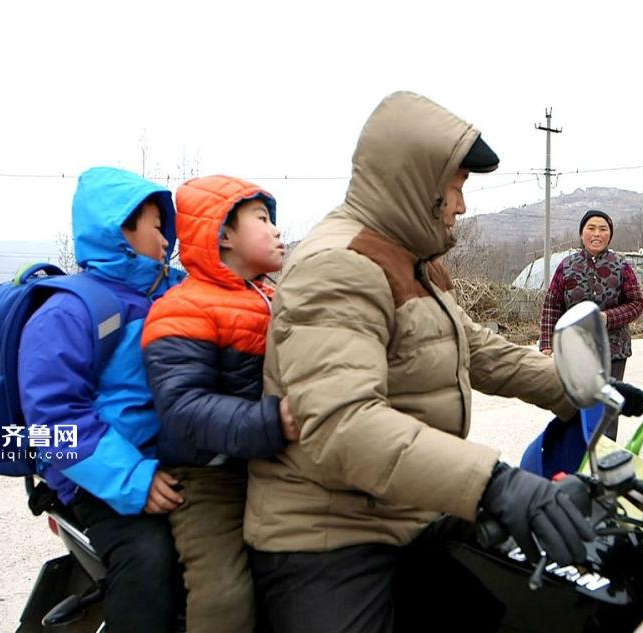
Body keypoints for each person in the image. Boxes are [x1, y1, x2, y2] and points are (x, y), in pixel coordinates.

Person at [244, 91, 594, 633]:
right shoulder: (337, 266)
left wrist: (578, 387)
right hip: (330, 535)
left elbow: (474, 347)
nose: (462, 205)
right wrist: (495, 483)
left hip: (409, 510)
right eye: (456, 186)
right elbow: (345, 425)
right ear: (418, 182)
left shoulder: (413, 259)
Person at [18, 167, 185, 632]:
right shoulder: (69, 311)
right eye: (157, 227)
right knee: (150, 561)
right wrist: (132, 477)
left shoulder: (173, 293)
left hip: (172, 461)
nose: (166, 239)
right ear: (121, 230)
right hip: (102, 478)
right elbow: (53, 423)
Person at [141, 175, 297, 633]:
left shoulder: (277, 298)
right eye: (262, 219)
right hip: (208, 477)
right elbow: (183, 406)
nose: (276, 230)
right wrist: (271, 421)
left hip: (271, 464)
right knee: (225, 594)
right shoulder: (182, 308)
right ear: (223, 234)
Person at [538, 210, 643, 439]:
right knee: (574, 406)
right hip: (575, 350)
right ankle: (578, 453)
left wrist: (607, 317)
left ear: (609, 235)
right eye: (591, 228)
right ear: (582, 233)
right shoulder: (567, 266)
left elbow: (637, 303)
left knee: (608, 406)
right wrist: (547, 343)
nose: (597, 234)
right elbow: (552, 305)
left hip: (613, 350)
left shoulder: (621, 266)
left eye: (603, 229)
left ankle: (605, 453)